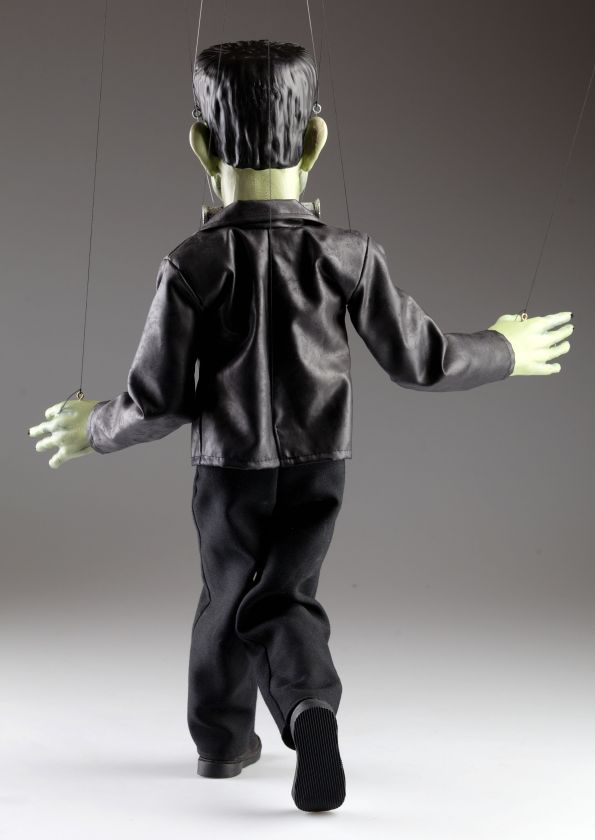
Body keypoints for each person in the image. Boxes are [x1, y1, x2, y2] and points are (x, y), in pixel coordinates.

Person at [28, 39, 574, 813]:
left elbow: (158, 399)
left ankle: (228, 740)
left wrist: (96, 427)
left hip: (226, 469)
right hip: (320, 462)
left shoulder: (190, 264)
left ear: (199, 146)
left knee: (227, 594)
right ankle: (299, 709)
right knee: (283, 593)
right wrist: (503, 350)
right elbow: (420, 360)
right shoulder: (349, 256)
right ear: (315, 141)